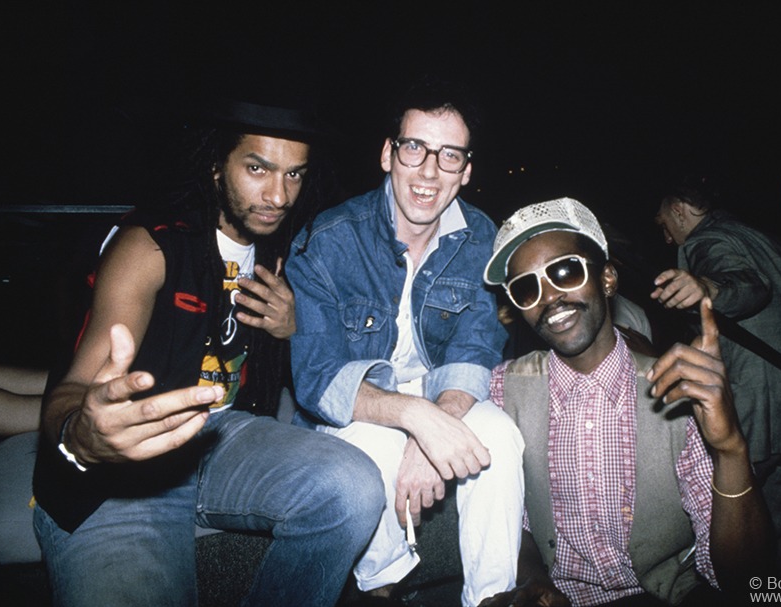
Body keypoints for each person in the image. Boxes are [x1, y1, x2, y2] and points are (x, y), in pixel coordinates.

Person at [31, 97, 385, 607]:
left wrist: (293, 331)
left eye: (294, 175)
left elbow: (310, 375)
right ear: (218, 167)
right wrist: (82, 437)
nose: (278, 195)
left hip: (220, 437)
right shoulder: (149, 247)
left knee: (353, 489)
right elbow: (75, 387)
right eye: (258, 168)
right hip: (123, 476)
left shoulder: (283, 253)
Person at [287, 78, 524, 606]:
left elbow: (476, 348)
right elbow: (317, 379)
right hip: (358, 407)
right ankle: (383, 587)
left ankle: (491, 598)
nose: (428, 171)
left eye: (449, 156)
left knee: (500, 439)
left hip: (443, 391)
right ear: (388, 154)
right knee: (374, 448)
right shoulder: (328, 240)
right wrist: (415, 421)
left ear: (466, 171)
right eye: (414, 147)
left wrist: (432, 424)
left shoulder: (484, 239)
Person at [480, 198, 772, 606]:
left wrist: (730, 449)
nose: (550, 298)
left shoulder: (679, 390)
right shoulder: (501, 390)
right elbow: (510, 518)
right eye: (527, 287)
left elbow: (747, 581)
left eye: (566, 271)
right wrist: (534, 580)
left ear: (608, 279)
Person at [651, 179, 781, 563]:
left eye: (665, 223)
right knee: (779, 545)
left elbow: (750, 286)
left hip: (755, 419)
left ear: (681, 210)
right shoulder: (774, 244)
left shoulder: (704, 242)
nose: (667, 237)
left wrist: (707, 287)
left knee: (730, 541)